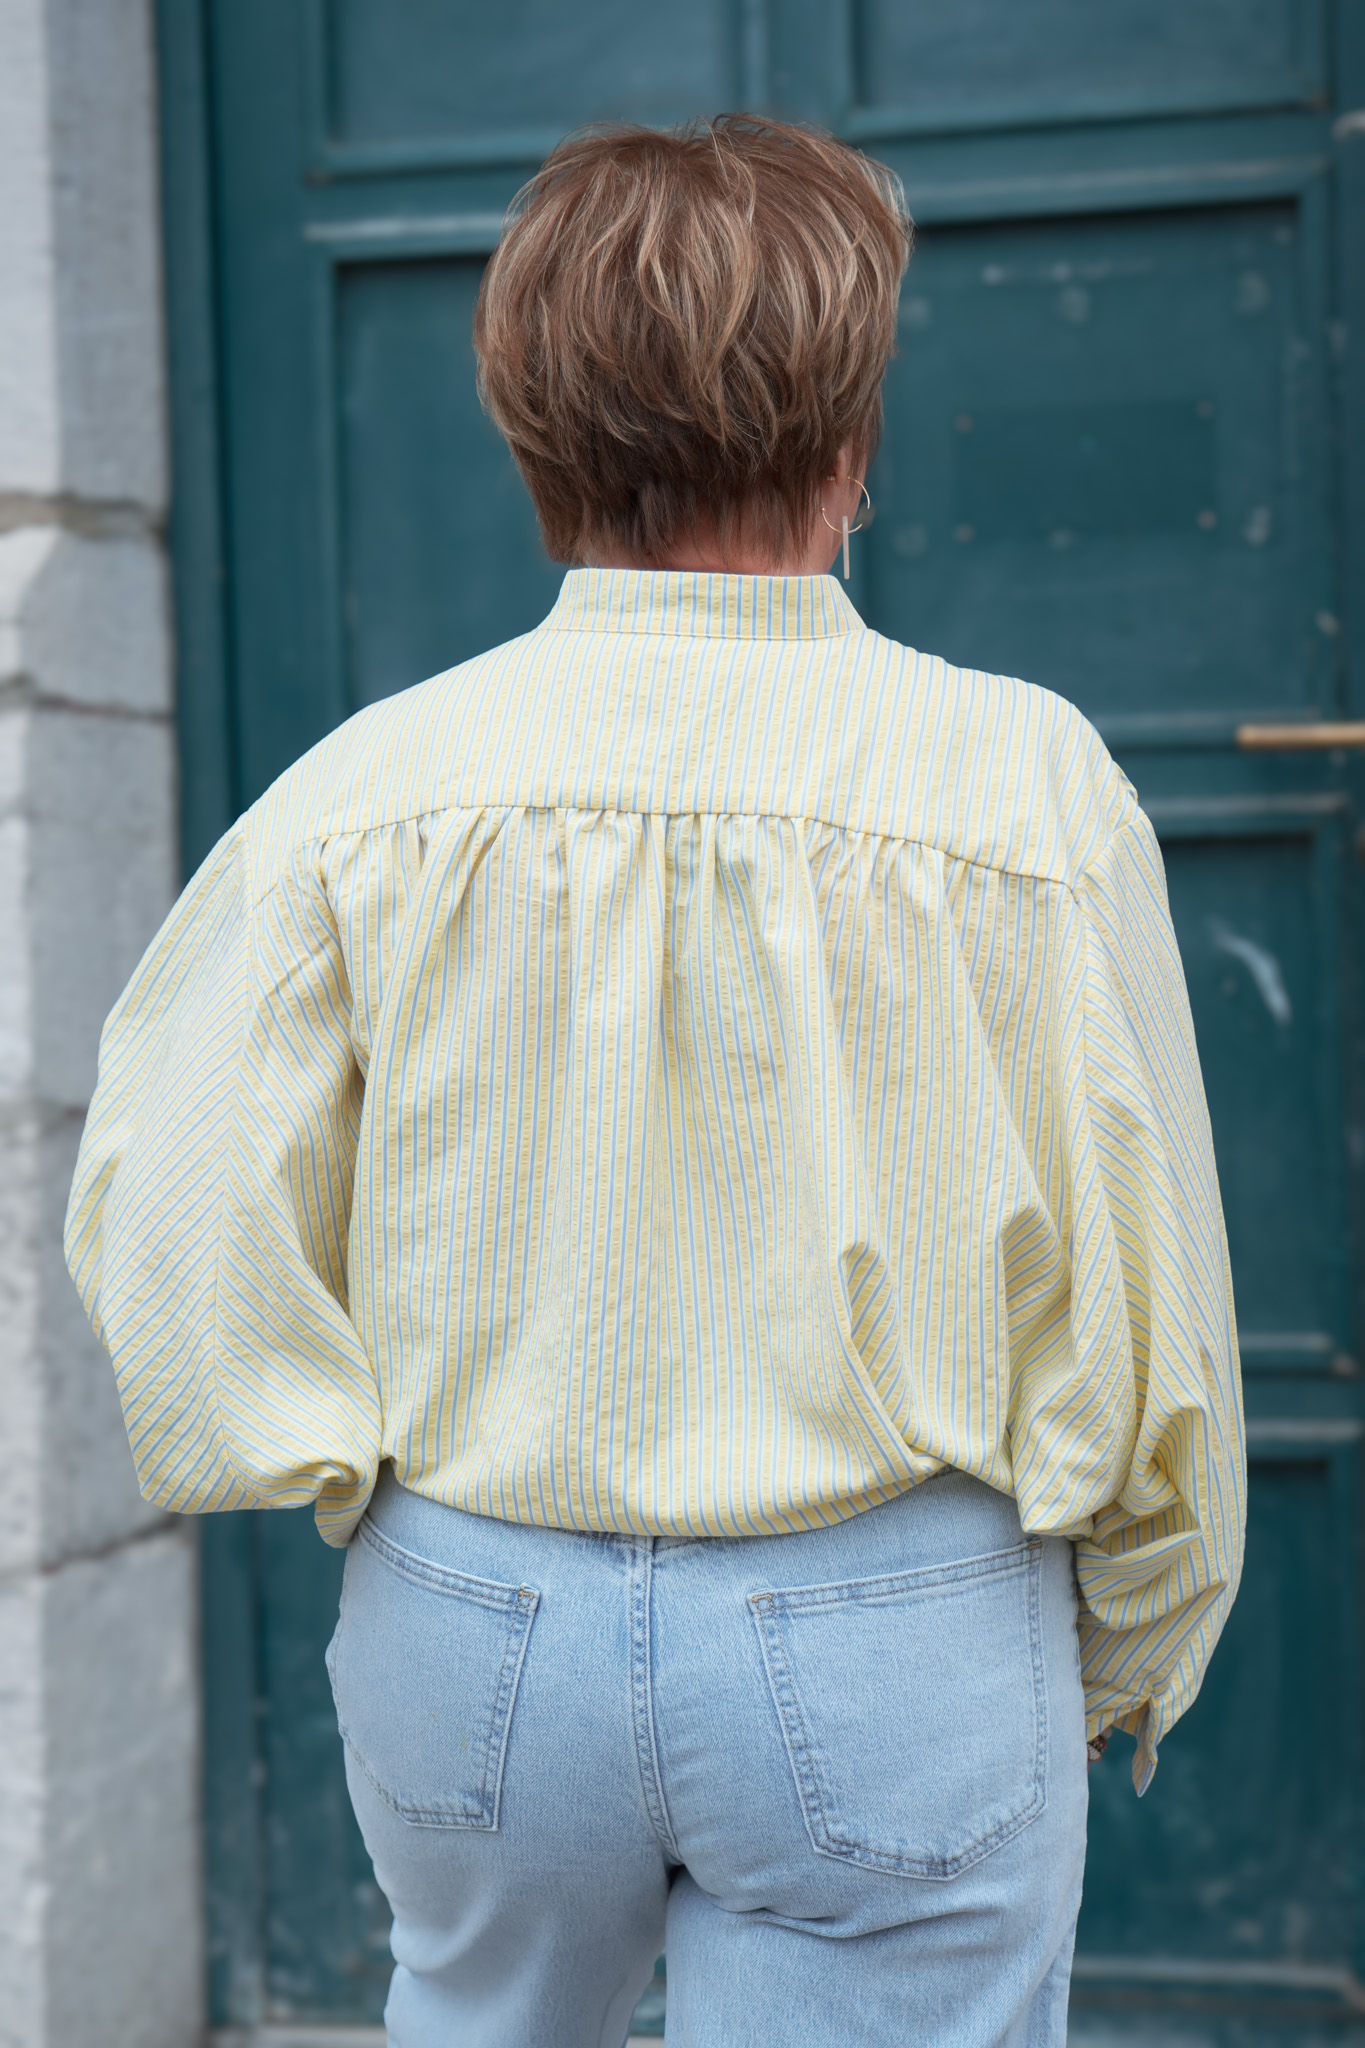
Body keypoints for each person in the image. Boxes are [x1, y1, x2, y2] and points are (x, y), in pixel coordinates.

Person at [66, 116, 1244, 2047]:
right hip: (889, 1626)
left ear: (530, 439)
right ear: (853, 443)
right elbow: (1148, 1281)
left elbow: (172, 1212)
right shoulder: (1019, 783)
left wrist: (336, 1464)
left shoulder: (369, 791)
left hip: (477, 1620)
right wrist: (1140, 1622)